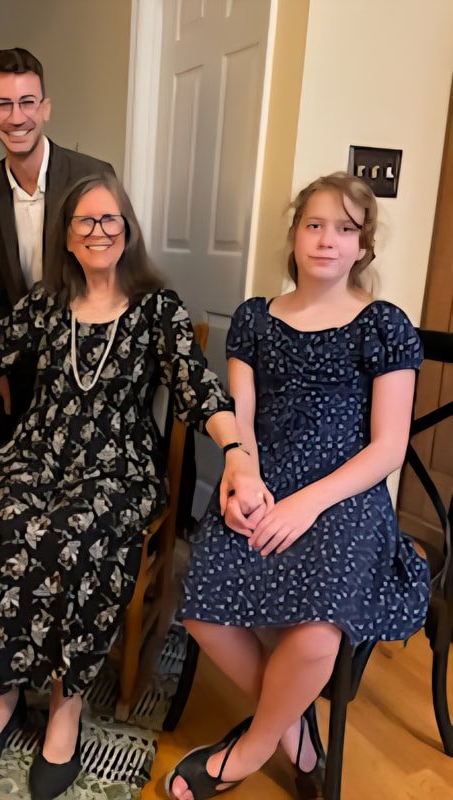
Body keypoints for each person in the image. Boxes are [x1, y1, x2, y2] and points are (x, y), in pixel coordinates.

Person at [0, 173, 270, 800]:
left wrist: (237, 452)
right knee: (5, 512)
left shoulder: (158, 309)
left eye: (110, 220)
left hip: (119, 466)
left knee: (74, 532)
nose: (99, 231)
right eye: (85, 223)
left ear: (126, 231)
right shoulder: (46, 304)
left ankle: (64, 705)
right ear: (68, 239)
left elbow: (197, 386)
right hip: (39, 450)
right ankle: (2, 697)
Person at [168, 173, 430, 800]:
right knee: (204, 610)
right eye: (314, 224)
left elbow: (388, 448)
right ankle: (297, 735)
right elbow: (243, 419)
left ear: (363, 246)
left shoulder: (383, 324)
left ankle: (251, 749)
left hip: (346, 491)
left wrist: (308, 504)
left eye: (345, 229)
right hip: (266, 476)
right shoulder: (256, 318)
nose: (327, 240)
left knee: (317, 632)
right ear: (293, 234)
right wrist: (242, 479)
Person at [0, 47, 115, 458]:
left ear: (45, 108)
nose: (17, 118)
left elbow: (115, 277)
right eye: (3, 105)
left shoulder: (93, 175)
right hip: (21, 361)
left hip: (88, 355)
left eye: (27, 102)